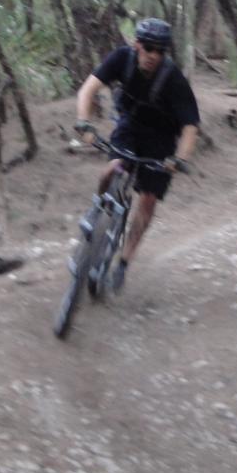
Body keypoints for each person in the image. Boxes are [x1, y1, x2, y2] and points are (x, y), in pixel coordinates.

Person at [74, 18, 200, 292]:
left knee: (148, 200)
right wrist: (84, 122)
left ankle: (123, 262)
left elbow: (190, 125)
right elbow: (88, 89)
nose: (154, 55)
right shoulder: (122, 58)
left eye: (160, 50)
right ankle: (99, 207)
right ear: (137, 44)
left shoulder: (173, 79)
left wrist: (180, 159)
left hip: (162, 139)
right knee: (113, 167)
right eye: (149, 48)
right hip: (130, 125)